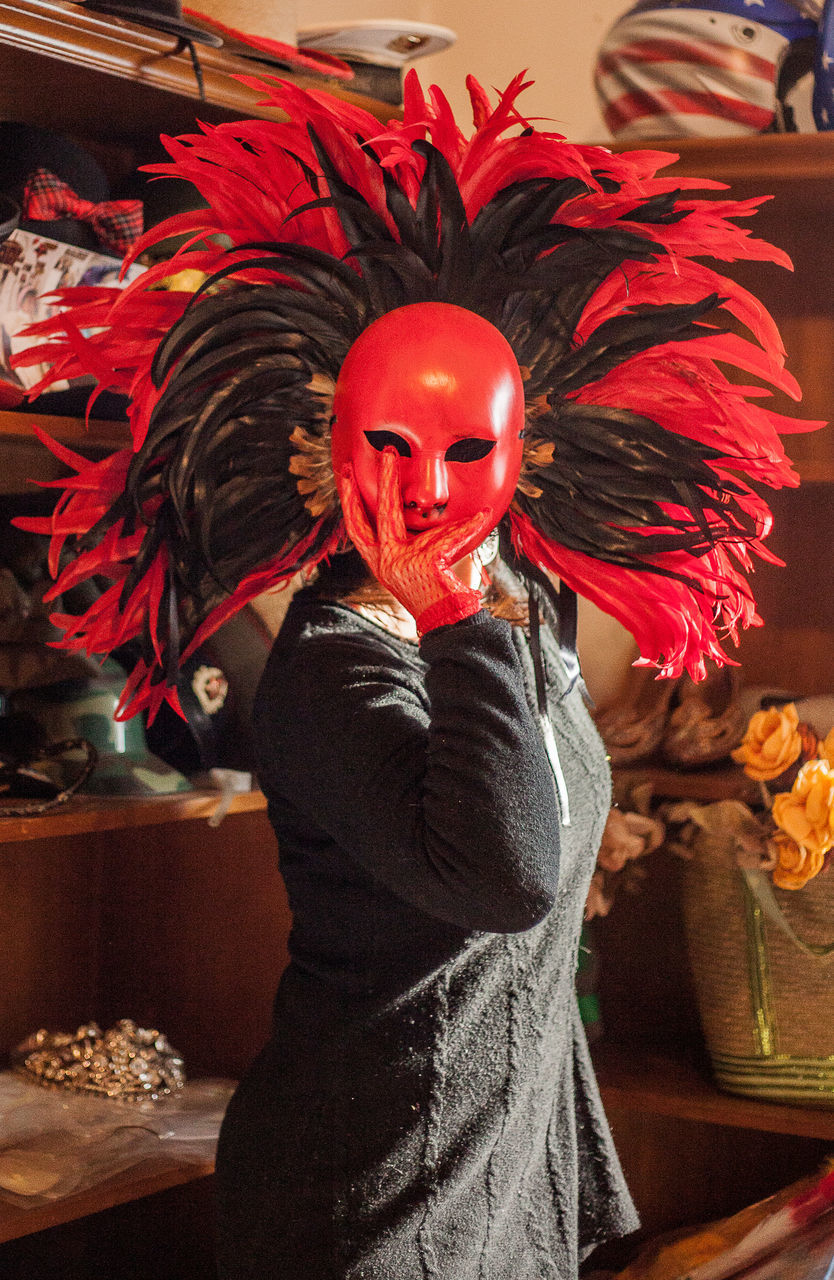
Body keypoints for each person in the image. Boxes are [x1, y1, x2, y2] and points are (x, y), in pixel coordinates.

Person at [13, 68, 814, 1280]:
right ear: (335, 448)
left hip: (498, 1180)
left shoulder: (521, 604)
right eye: (387, 444)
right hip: (371, 1199)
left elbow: (530, 922)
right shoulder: (338, 667)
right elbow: (507, 874)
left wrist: (578, 1198)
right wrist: (450, 609)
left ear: (520, 442)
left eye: (462, 447)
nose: (426, 487)